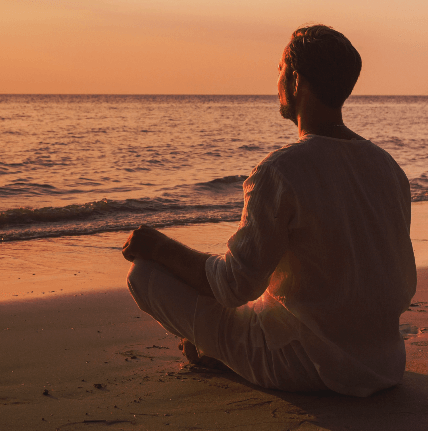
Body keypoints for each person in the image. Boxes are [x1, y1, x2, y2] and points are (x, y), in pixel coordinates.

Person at [122, 24, 416, 396]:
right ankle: (222, 349)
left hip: (305, 366)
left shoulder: (281, 170)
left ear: (295, 79)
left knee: (144, 275)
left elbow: (234, 286)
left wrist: (160, 248)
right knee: (273, 289)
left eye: (279, 68)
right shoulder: (389, 168)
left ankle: (223, 352)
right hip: (383, 363)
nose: (276, 78)